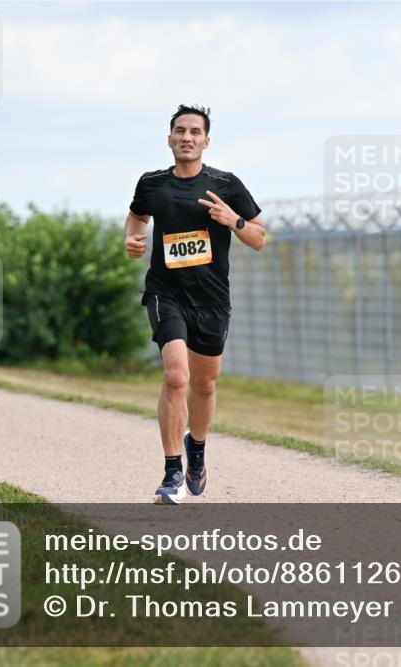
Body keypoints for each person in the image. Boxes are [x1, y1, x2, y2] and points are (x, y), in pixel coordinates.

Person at [124, 104, 266, 504]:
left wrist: (233, 220)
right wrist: (131, 240)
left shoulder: (226, 184)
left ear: (206, 141)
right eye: (180, 131)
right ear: (169, 138)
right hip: (165, 294)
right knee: (176, 376)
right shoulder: (151, 183)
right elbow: (136, 219)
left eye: (195, 132)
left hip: (211, 300)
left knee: (204, 385)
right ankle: (172, 473)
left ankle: (196, 449)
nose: (187, 137)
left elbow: (259, 238)